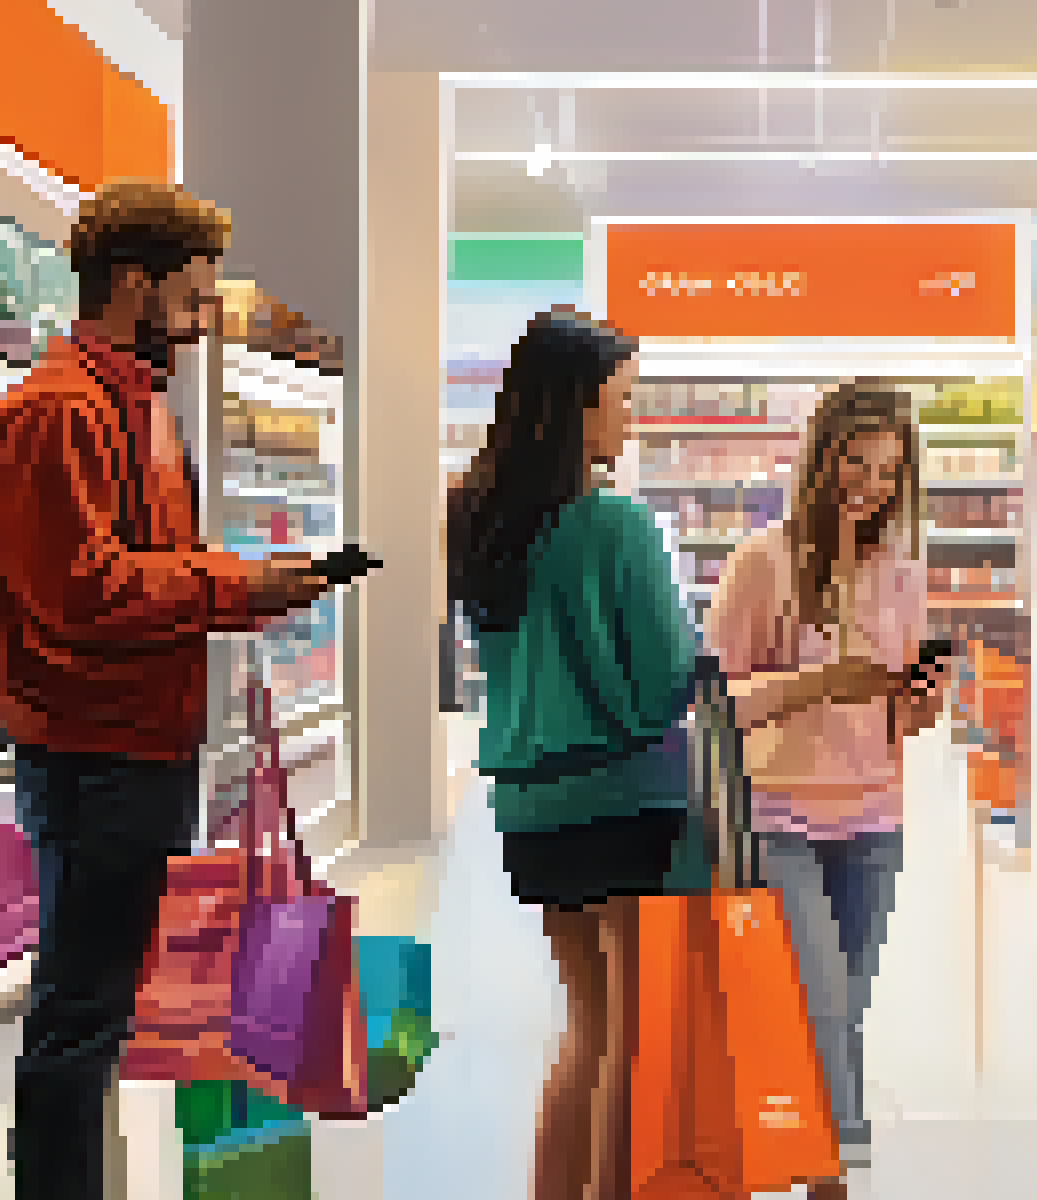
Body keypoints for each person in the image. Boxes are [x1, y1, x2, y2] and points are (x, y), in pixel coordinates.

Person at [0, 180, 342, 1199]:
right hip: (97, 757)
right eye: (189, 297)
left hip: (139, 745)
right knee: (76, 1018)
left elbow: (149, 568)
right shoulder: (55, 415)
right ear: (131, 285)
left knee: (94, 1010)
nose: (198, 321)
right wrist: (236, 584)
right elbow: (82, 595)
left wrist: (245, 589)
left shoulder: (134, 408)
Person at [450, 308, 711, 1200]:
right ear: (577, 406)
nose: (630, 418)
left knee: (588, 1026)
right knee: (631, 1039)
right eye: (622, 399)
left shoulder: (479, 518)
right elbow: (661, 683)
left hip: (528, 804)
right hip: (621, 800)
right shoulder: (616, 525)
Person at [705, 380, 944, 1199]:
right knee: (825, 1006)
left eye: (890, 471)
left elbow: (897, 717)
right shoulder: (760, 563)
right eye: (857, 462)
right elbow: (717, 705)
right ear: (821, 458)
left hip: (876, 816)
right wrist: (815, 685)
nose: (870, 485)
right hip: (780, 815)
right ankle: (835, 1169)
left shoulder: (904, 572)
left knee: (844, 1008)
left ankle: (811, 1162)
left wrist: (919, 706)